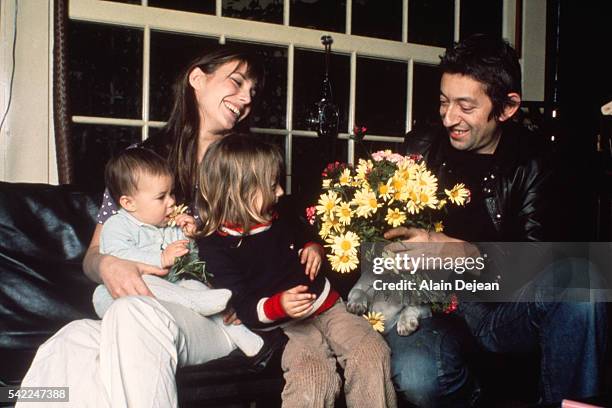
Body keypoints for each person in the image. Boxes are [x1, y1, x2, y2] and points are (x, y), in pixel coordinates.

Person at [18, 47, 265, 408]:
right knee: (70, 341)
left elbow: (271, 243)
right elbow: (93, 256)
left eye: (253, 93)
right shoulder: (143, 161)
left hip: (218, 317)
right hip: (150, 305)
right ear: (197, 79)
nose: (246, 99)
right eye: (237, 82)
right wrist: (106, 264)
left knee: (131, 312)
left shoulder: (247, 165)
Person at [383, 34, 608, 407]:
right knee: (420, 377)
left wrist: (461, 252)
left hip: (503, 310)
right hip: (434, 307)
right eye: (443, 101)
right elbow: (382, 235)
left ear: (506, 108)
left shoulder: (537, 161)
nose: (448, 117)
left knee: (585, 279)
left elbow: (542, 261)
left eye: (465, 106)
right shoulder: (419, 148)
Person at [196, 134, 397, 408]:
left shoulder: (284, 212)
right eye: (271, 185)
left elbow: (305, 232)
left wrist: (313, 246)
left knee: (372, 351)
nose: (280, 191)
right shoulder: (214, 245)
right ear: (239, 192)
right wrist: (279, 306)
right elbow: (242, 304)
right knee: (312, 377)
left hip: (329, 305)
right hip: (288, 327)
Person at [91, 147, 263, 356]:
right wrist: (160, 258)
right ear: (129, 203)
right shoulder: (116, 225)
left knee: (193, 285)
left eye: (171, 193)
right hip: (126, 294)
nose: (172, 202)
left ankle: (244, 338)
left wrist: (189, 237)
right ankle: (197, 302)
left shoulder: (168, 226)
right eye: (161, 197)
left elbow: (188, 261)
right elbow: (118, 255)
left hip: (172, 290)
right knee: (140, 285)